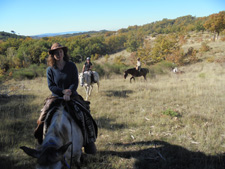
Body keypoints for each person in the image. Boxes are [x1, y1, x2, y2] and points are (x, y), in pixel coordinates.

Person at [34, 43, 97, 154]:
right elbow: (51, 86)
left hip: (72, 95)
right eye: (56, 52)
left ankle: (89, 142)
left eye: (61, 51)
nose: (59, 54)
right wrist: (62, 92)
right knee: (43, 115)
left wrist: (69, 92)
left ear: (63, 53)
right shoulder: (50, 70)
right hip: (56, 96)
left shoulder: (71, 65)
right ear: (52, 55)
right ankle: (41, 142)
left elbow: (75, 81)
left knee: (85, 113)